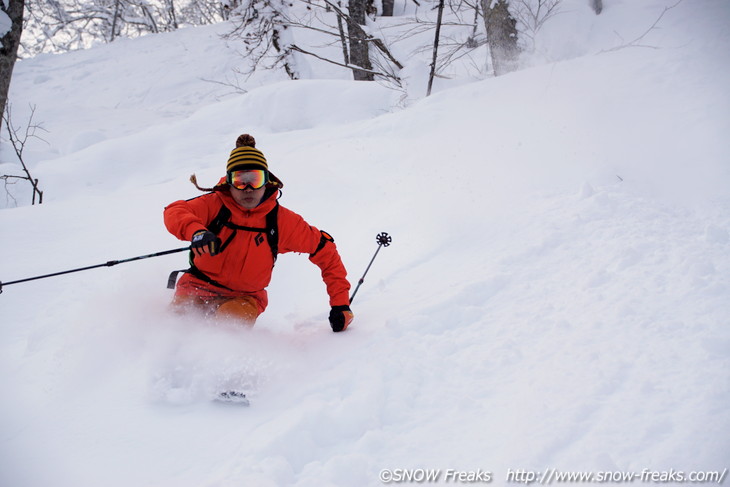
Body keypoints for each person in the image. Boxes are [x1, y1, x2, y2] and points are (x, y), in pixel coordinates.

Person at [163, 134, 354, 332]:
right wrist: (197, 232)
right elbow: (174, 211)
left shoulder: (281, 222)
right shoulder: (214, 205)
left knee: (225, 329)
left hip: (244, 298)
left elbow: (325, 249)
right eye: (240, 180)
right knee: (175, 327)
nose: (247, 189)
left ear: (267, 180)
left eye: (254, 179)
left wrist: (341, 305)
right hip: (197, 287)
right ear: (229, 182)